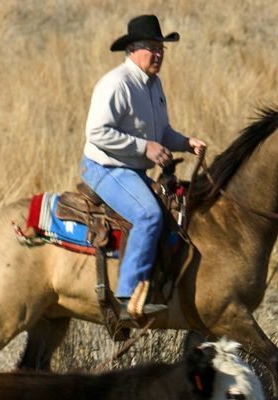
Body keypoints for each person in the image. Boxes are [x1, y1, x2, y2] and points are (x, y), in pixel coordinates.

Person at [81, 14, 207, 319]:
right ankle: (127, 296)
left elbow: (160, 132)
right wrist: (144, 148)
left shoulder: (153, 84)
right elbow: (96, 132)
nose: (159, 54)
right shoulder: (116, 84)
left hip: (133, 170)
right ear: (133, 49)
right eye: (152, 47)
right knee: (148, 214)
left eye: (161, 48)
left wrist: (185, 142)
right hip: (105, 168)